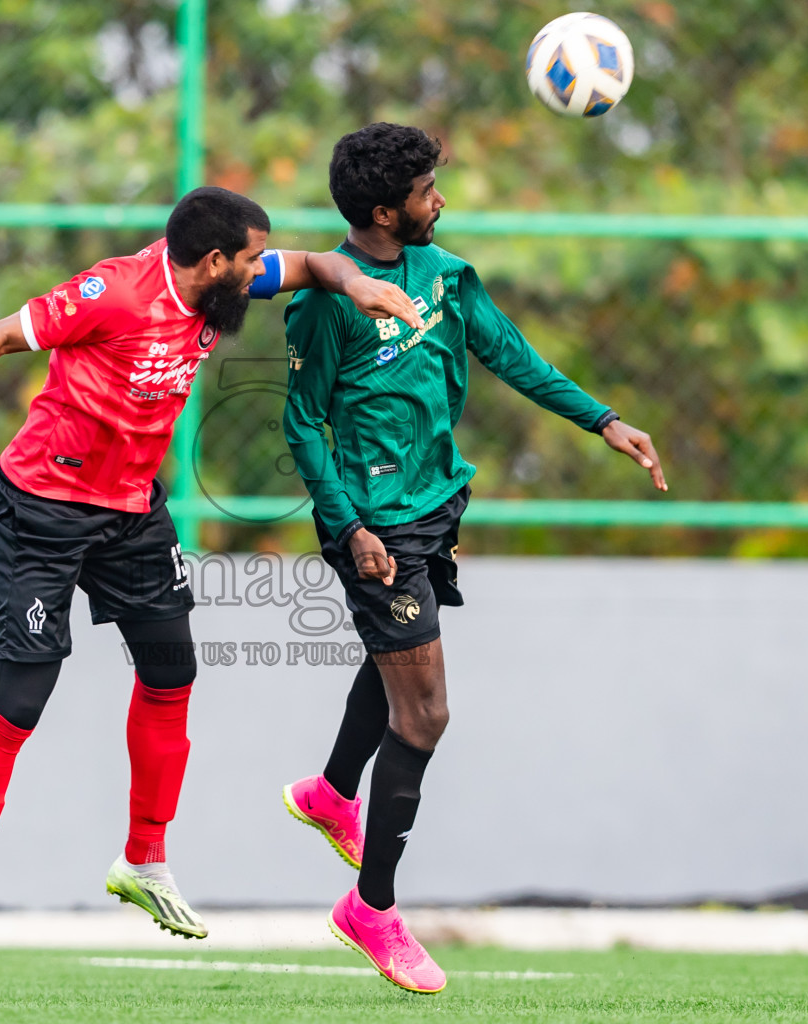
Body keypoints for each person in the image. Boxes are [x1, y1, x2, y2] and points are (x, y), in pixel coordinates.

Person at [0, 185, 423, 991]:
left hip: (131, 513)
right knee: (20, 704)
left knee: (171, 674)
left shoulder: (223, 281)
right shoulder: (112, 292)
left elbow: (311, 265)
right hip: (44, 508)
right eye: (253, 259)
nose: (265, 272)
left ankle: (144, 858)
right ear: (214, 262)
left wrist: (352, 281)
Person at [280, 124, 667, 994]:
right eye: (425, 191)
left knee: (394, 675)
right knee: (423, 719)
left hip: (434, 505)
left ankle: (333, 794)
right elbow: (302, 421)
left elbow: (512, 356)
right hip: (375, 526)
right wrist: (347, 528)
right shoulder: (326, 301)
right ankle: (370, 909)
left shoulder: (447, 278)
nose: (439, 199)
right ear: (385, 212)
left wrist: (603, 420)